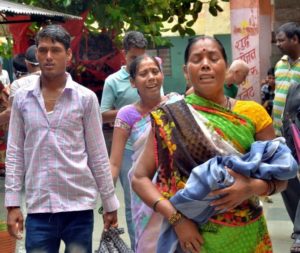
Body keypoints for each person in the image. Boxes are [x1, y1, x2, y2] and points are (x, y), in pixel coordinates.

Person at [132, 36, 287, 253]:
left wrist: (252, 187)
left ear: (226, 65)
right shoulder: (170, 116)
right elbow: (139, 178)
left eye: (213, 58)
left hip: (248, 235)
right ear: (186, 71)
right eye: (197, 59)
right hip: (192, 238)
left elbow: (282, 177)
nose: (205, 64)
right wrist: (177, 219)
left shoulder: (253, 114)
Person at [5, 24, 119, 253]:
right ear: (36, 54)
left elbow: (97, 154)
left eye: (55, 50)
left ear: (68, 55)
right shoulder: (21, 100)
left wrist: (110, 203)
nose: (48, 56)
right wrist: (12, 203)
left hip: (78, 209)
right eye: (43, 50)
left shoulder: (85, 99)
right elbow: (15, 151)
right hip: (39, 210)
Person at [110, 54, 177, 252]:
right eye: (143, 73)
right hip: (144, 191)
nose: (151, 77)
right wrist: (108, 201)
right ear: (133, 82)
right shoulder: (126, 114)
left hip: (177, 188)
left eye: (155, 71)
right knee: (150, 244)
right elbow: (114, 162)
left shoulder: (176, 104)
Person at [100, 30, 148, 248]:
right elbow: (102, 114)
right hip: (127, 148)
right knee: (132, 202)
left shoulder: (150, 74)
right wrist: (129, 112)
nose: (138, 62)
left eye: (141, 56)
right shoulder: (113, 81)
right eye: (133, 58)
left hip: (151, 144)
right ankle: (138, 246)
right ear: (124, 54)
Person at [274, 21, 300, 253]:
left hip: (299, 130)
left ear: (295, 39)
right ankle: (298, 226)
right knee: (286, 179)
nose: (278, 44)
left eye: (282, 39)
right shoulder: (279, 65)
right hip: (280, 132)